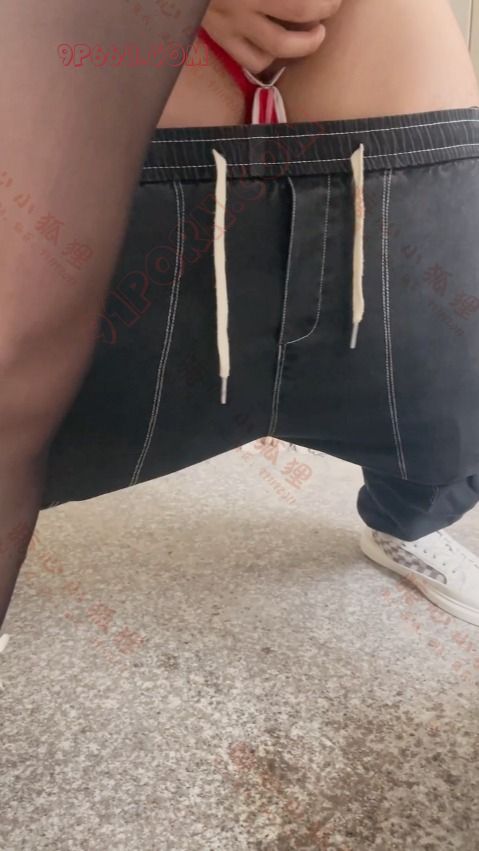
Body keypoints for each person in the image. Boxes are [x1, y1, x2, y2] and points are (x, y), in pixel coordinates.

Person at [1, 0, 479, 668]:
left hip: (398, 146)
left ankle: (407, 522)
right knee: (21, 405)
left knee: (452, 418)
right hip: (139, 134)